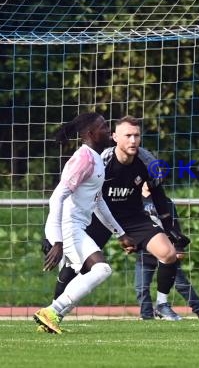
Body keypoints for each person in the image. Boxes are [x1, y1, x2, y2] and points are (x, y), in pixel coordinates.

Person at [41, 115, 182, 325]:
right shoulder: (96, 159)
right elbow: (62, 197)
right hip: (93, 220)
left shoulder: (144, 162)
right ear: (115, 137)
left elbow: (157, 195)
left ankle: (162, 305)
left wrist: (169, 228)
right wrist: (54, 236)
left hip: (131, 216)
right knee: (77, 267)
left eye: (137, 136)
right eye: (128, 136)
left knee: (168, 253)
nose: (133, 140)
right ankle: (53, 310)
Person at [34, 112, 136, 334]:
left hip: (77, 227)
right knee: (101, 269)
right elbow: (57, 197)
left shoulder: (96, 159)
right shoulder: (84, 159)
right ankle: (53, 311)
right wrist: (56, 240)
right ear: (91, 133)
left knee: (79, 270)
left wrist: (120, 233)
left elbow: (99, 203)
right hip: (68, 226)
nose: (108, 130)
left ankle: (51, 317)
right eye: (104, 127)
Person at [137, 182, 199, 319]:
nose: (148, 182)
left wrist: (178, 247)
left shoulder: (163, 200)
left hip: (166, 250)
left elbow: (173, 224)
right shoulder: (134, 200)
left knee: (182, 284)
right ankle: (147, 316)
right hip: (146, 251)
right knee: (141, 287)